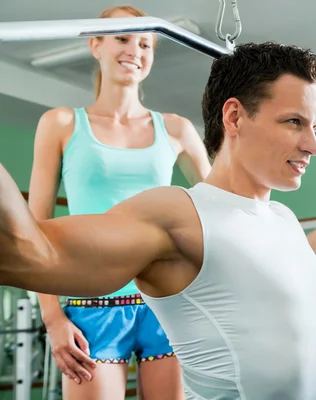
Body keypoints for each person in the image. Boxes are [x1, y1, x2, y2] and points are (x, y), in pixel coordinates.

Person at [0, 41, 316, 399]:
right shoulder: (179, 214)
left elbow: (310, 262)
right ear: (234, 116)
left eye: (313, 127)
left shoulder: (279, 216)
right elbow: (32, 254)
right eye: (293, 122)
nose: (313, 146)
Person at [26, 5, 212, 399]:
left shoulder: (176, 129)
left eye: (145, 43)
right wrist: (52, 317)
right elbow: (33, 227)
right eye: (123, 38)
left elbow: (221, 209)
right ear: (96, 45)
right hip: (92, 304)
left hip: (167, 303)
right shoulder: (60, 124)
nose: (135, 50)